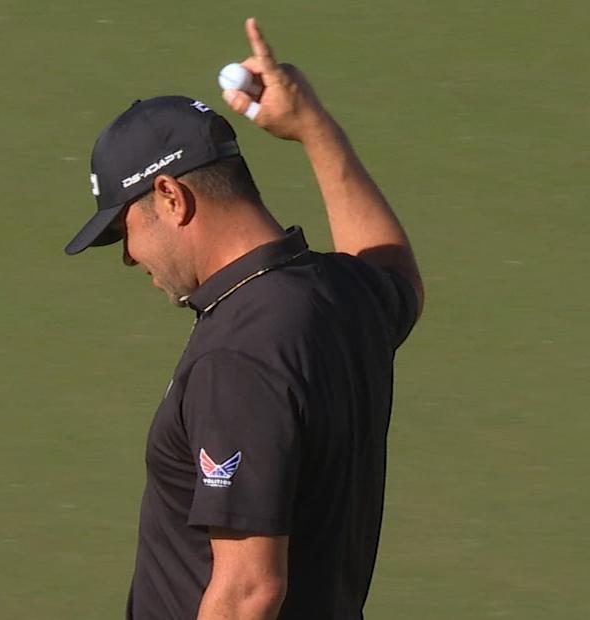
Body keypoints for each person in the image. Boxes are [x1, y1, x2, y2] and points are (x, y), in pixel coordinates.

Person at [63, 18, 424, 620]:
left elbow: (248, 593)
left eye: (123, 231)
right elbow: (397, 275)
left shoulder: (239, 357)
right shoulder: (336, 292)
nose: (127, 256)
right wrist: (313, 127)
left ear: (172, 197)